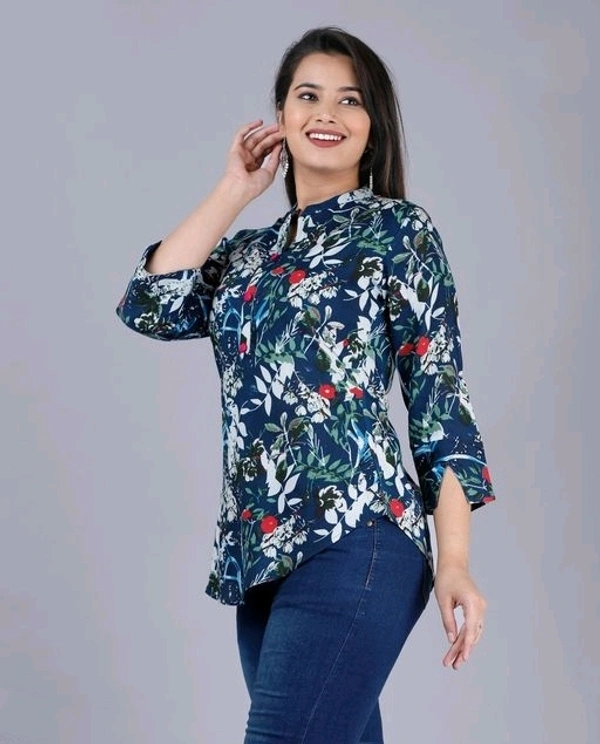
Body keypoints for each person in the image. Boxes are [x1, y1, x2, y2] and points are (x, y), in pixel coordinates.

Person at [116, 26, 495, 744]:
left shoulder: (397, 232)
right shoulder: (248, 255)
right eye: (307, 96)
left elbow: (441, 404)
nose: (327, 113)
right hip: (259, 555)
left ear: (373, 125)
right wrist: (235, 189)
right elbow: (149, 304)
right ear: (282, 117)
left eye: (349, 100)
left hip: (357, 535)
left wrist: (455, 562)